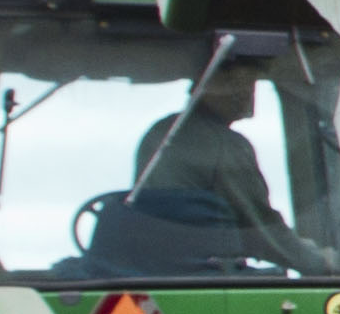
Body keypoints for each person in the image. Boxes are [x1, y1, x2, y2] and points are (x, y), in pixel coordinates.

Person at [126, 50, 322, 271]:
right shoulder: (226, 145)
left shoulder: (161, 132)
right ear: (212, 84)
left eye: (250, 84)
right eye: (241, 82)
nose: (246, 93)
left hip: (151, 270)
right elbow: (259, 226)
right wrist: (320, 262)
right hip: (208, 275)